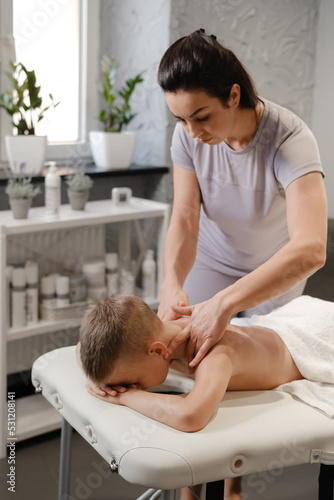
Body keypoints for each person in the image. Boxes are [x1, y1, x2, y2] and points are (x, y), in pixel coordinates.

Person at [156, 29, 328, 372]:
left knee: (252, 368)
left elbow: (311, 249)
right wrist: (171, 283)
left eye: (201, 117)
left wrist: (224, 304)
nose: (192, 132)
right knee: (183, 356)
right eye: (181, 119)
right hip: (212, 261)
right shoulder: (188, 138)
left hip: (273, 269)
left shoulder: (290, 140)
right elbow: (186, 215)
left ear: (233, 95)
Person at [78, 294, 334, 500]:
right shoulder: (155, 333)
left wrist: (126, 397)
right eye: (124, 386)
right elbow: (81, 348)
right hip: (278, 327)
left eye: (128, 382)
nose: (129, 386)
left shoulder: (216, 353)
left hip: (317, 333)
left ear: (157, 351)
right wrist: (97, 378)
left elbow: (191, 415)